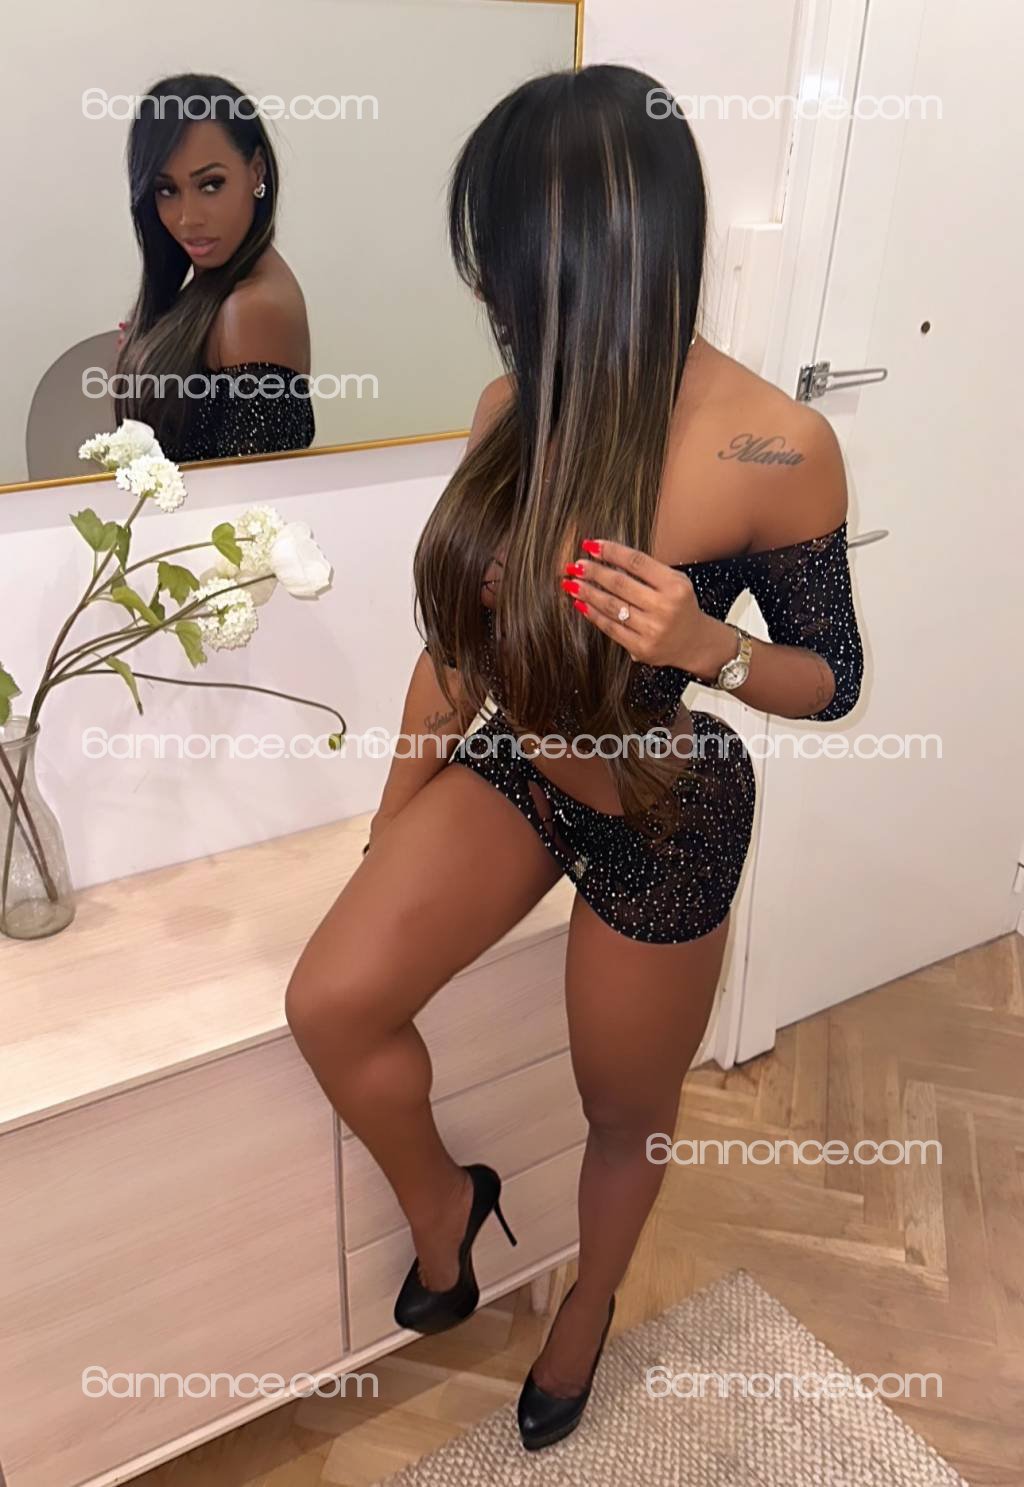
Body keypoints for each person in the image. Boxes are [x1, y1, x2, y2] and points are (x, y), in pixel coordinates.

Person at [285, 63, 864, 1454]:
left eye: (504, 254)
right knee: (334, 1001)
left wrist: (709, 645)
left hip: (666, 808)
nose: (490, 287)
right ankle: (448, 1204)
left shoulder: (774, 445)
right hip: (525, 767)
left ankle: (590, 1303)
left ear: (599, 248)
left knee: (623, 1108)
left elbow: (831, 679)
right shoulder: (512, 405)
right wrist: (393, 818)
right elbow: (460, 651)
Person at [114, 73, 313, 462]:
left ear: (257, 171)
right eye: (167, 190)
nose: (188, 218)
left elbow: (257, 492)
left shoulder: (251, 310)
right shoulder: (215, 288)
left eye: (210, 185)